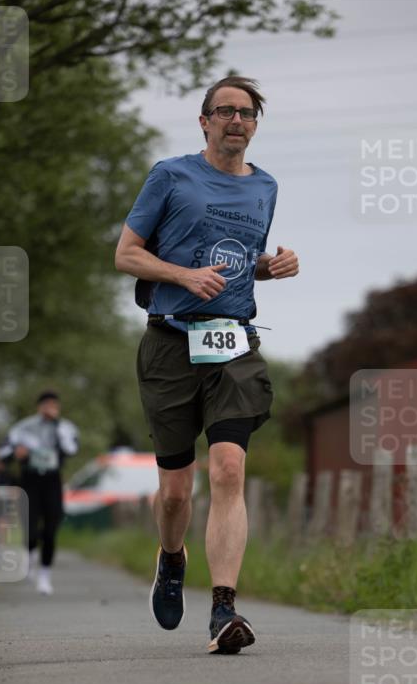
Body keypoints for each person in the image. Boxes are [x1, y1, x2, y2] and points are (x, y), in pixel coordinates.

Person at [115, 76, 299, 654]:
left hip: (233, 344)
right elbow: (126, 254)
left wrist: (275, 266)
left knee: (227, 469)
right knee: (175, 491)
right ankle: (172, 558)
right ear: (204, 122)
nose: (235, 121)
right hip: (171, 341)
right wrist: (181, 275)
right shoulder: (171, 175)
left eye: (246, 113)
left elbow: (241, 265)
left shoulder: (265, 187)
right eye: (224, 111)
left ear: (255, 124)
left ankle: (223, 609)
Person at [0, 391, 79, 595]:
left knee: (51, 527)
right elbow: (3, 452)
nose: (50, 408)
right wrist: (15, 453)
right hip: (30, 480)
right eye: (46, 405)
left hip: (52, 480)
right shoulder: (23, 427)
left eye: (54, 405)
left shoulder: (65, 427)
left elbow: (72, 449)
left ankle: (45, 575)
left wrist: (58, 427)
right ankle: (30, 553)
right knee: (29, 525)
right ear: (39, 406)